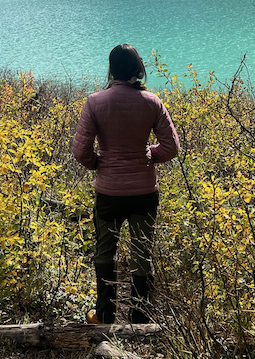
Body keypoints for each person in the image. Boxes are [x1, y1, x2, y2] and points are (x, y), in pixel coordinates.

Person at [71, 44, 180, 325]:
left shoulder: (94, 102)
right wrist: (147, 155)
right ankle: (140, 316)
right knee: (142, 251)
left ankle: (105, 315)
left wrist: (99, 163)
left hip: (109, 192)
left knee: (105, 251)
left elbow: (81, 151)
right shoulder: (152, 101)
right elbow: (171, 148)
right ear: (138, 69)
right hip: (144, 191)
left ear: (111, 70)